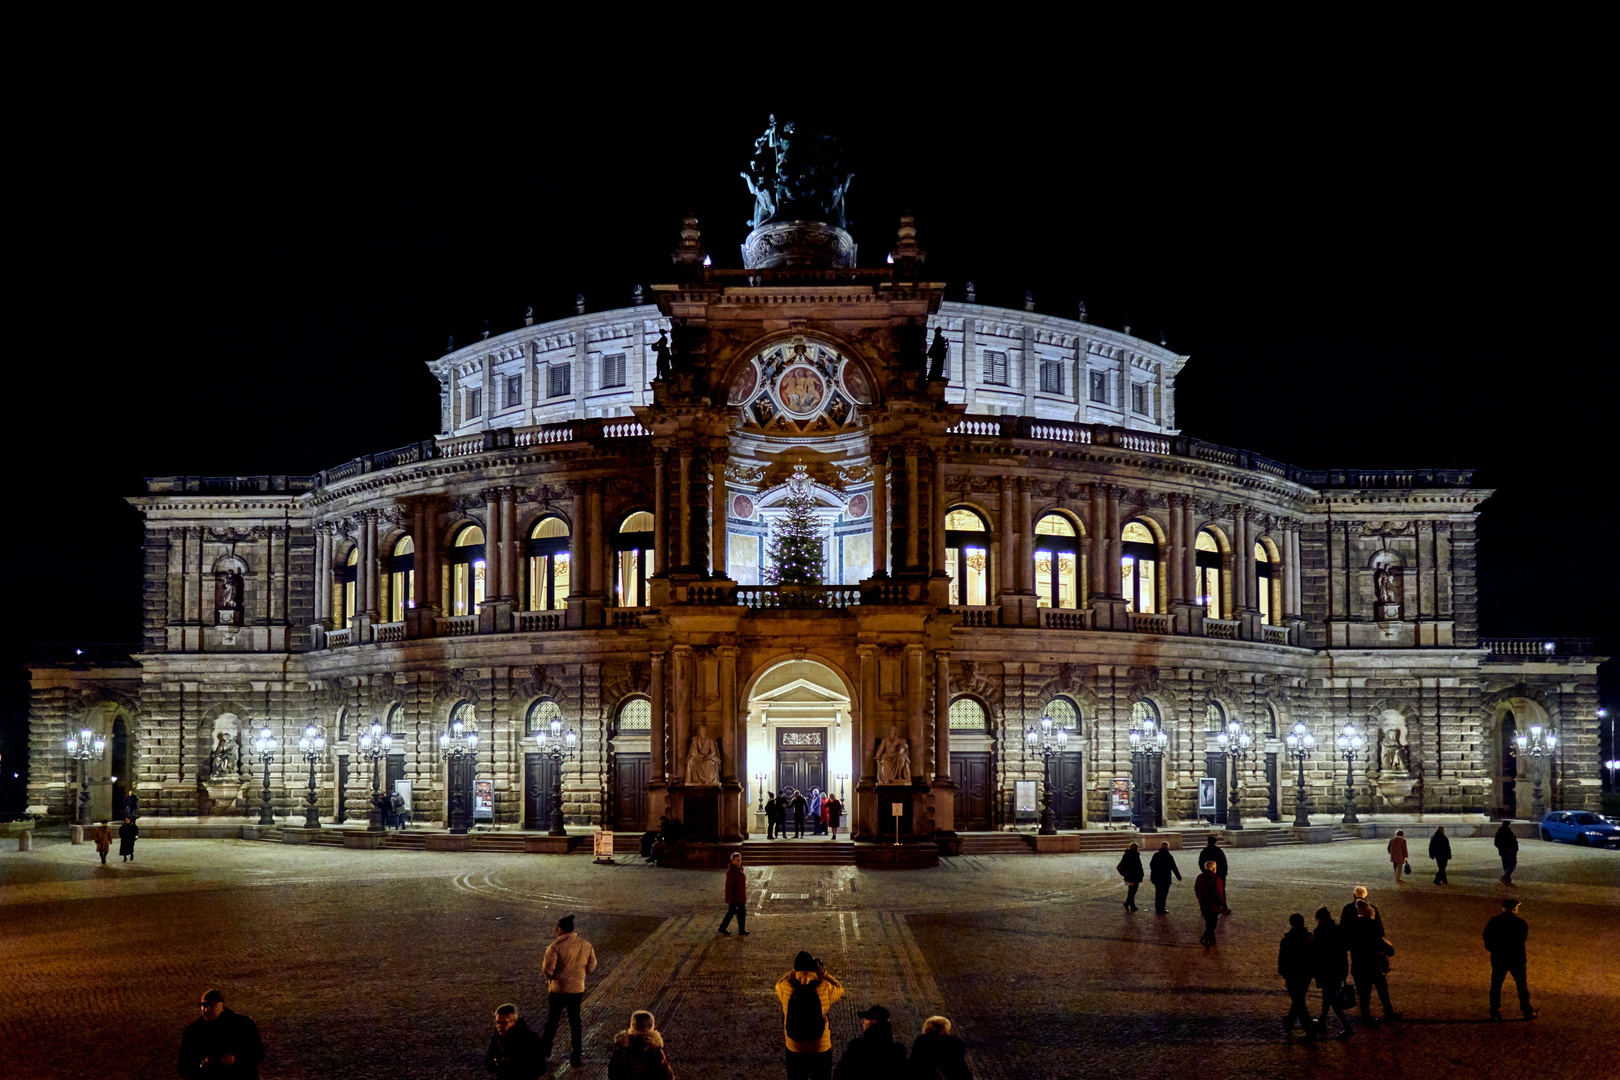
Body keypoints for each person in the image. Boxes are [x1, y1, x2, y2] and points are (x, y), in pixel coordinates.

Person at [539, 915, 598, 1069]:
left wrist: (552, 978)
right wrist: (580, 975)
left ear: (561, 928)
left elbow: (547, 969)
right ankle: (576, 1054)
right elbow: (592, 966)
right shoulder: (586, 945)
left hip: (558, 989)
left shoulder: (554, 947)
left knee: (553, 1020)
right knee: (575, 1021)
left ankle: (546, 1051)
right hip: (577, 989)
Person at [776, 950, 844, 1080]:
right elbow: (839, 988)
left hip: (794, 1047)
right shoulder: (823, 987)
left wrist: (794, 971)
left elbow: (778, 984)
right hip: (820, 1046)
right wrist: (821, 972)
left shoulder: (786, 987)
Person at [179, 989, 265, 1079]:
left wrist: (236, 1060)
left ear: (222, 1006)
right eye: (203, 1006)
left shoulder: (243, 1025)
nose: (206, 1009)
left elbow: (257, 1052)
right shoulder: (193, 1031)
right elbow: (184, 1067)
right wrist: (201, 1065)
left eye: (211, 1005)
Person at [1345, 898, 1400, 1024]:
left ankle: (1366, 1016)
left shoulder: (1353, 927)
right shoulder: (1372, 926)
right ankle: (1388, 1012)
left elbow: (1349, 944)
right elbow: (1382, 945)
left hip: (1359, 965)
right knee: (1382, 990)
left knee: (1364, 994)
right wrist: (1387, 949)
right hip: (1374, 965)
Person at [1483, 899, 1536, 1020]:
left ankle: (1494, 1011)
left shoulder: (1494, 921)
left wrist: (1493, 949)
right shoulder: (1521, 923)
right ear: (1515, 909)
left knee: (1496, 985)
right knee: (1521, 985)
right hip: (1516, 958)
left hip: (1499, 957)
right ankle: (1526, 1011)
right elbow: (1521, 941)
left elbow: (1487, 937)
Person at [1311, 908, 1354, 1039]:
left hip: (1326, 969)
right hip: (1339, 968)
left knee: (1331, 998)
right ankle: (1323, 1018)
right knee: (1327, 994)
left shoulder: (1319, 932)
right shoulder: (1339, 930)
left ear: (1319, 918)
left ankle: (1347, 1026)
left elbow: (1317, 953)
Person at [833, 1004, 907, 1080]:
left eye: (865, 1019)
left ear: (873, 1022)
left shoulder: (857, 1048)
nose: (862, 1022)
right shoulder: (898, 1051)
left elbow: (841, 1074)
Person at [1277, 913, 1316, 1042]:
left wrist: (1282, 971)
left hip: (1293, 974)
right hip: (1306, 974)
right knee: (1298, 999)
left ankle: (1310, 1031)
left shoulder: (1288, 940)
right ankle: (1290, 1022)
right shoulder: (1310, 938)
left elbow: (1283, 958)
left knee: (1299, 1002)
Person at [608, 1010, 674, 1080]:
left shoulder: (622, 1050)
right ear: (651, 1026)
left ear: (632, 1025)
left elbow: (613, 1075)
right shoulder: (655, 1052)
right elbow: (667, 1076)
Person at [485, 1003, 546, 1080]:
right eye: (497, 1022)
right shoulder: (496, 1038)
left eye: (504, 1023)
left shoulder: (530, 1039)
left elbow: (540, 1067)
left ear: (514, 1022)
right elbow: (489, 1063)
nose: (499, 1026)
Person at [907, 1015, 970, 1080]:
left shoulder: (921, 1044)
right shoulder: (953, 1047)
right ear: (945, 1028)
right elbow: (962, 1072)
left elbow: (912, 1067)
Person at [719, 851, 750, 935]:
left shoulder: (739, 870)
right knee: (740, 913)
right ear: (732, 861)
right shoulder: (732, 872)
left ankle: (723, 928)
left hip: (739, 896)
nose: (739, 862)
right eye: (737, 860)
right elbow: (729, 887)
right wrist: (730, 898)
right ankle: (740, 930)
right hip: (735, 897)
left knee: (734, 913)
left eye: (740, 860)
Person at [1194, 860, 1224, 946]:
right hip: (1213, 904)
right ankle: (1204, 938)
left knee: (1209, 922)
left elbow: (1196, 889)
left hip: (1203, 903)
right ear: (1214, 868)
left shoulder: (1200, 877)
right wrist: (1220, 904)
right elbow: (1219, 892)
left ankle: (1212, 940)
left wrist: (1200, 898)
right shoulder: (1216, 878)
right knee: (1212, 924)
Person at [1196, 835, 1230, 912]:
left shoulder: (1204, 851)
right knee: (1220, 890)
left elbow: (1200, 862)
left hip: (1207, 873)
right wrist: (1224, 873)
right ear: (1215, 842)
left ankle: (1207, 907)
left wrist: (1204, 871)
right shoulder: (1218, 851)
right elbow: (1224, 863)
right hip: (1219, 874)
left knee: (1207, 890)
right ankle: (1223, 907)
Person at [1148, 841, 1182, 914]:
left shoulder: (1156, 855)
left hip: (1156, 877)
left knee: (1158, 892)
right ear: (1167, 847)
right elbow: (1174, 867)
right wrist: (1178, 876)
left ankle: (1157, 908)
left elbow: (1151, 865)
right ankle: (1162, 908)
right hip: (1165, 878)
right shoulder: (1168, 856)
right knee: (1163, 894)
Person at [1116, 842, 1144, 912]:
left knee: (1131, 891)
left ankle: (1132, 905)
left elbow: (1121, 865)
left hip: (1128, 876)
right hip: (1134, 876)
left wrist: (1124, 873)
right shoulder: (1135, 855)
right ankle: (1127, 903)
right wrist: (1141, 874)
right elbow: (1138, 867)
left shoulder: (1126, 855)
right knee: (1133, 891)